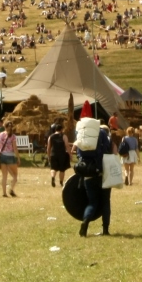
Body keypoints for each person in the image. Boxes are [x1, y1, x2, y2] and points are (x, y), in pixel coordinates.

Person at [73, 101, 117, 237]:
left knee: (92, 201)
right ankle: (105, 230)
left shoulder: (81, 134)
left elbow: (78, 152)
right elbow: (108, 149)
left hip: (87, 171)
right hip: (102, 171)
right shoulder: (102, 133)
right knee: (105, 201)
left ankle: (85, 223)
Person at [0, 122, 20, 197]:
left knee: (4, 176)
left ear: (4, 127)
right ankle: (11, 189)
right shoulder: (13, 136)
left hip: (2, 156)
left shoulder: (0, 135)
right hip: (10, 156)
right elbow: (15, 148)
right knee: (15, 175)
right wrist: (18, 158)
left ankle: (4, 193)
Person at [47, 122, 71, 188]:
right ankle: (61, 182)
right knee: (62, 169)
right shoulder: (64, 136)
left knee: (53, 168)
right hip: (62, 154)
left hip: (53, 154)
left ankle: (52, 177)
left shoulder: (51, 137)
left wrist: (48, 155)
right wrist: (70, 154)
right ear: (61, 129)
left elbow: (48, 147)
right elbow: (67, 146)